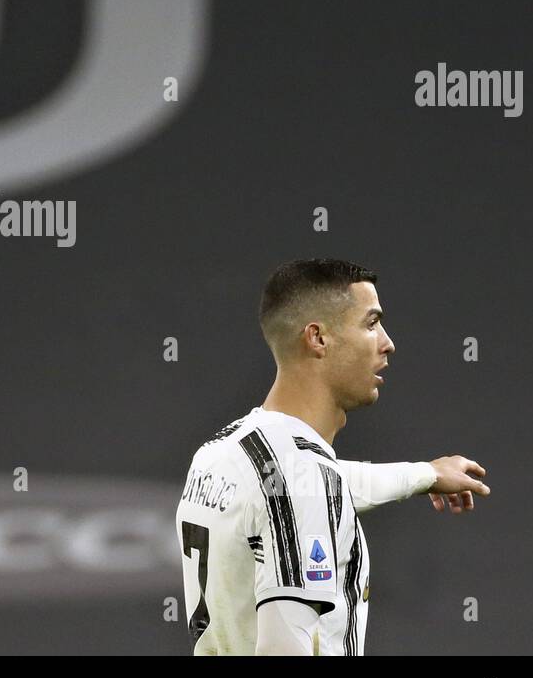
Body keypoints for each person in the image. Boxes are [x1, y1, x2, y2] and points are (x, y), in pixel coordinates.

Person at [176, 258, 490, 655]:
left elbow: (326, 482)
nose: (387, 342)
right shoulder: (302, 479)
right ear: (318, 338)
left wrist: (426, 474)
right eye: (371, 323)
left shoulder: (221, 452)